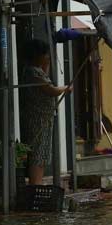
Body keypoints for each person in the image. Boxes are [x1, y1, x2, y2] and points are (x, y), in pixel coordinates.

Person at [21, 38, 71, 186]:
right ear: (36, 55)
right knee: (37, 155)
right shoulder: (32, 72)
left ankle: (38, 184)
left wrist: (46, 64)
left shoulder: (39, 71)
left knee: (42, 156)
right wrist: (65, 88)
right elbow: (51, 90)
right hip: (37, 119)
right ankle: (35, 186)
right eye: (45, 55)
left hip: (45, 119)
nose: (48, 57)